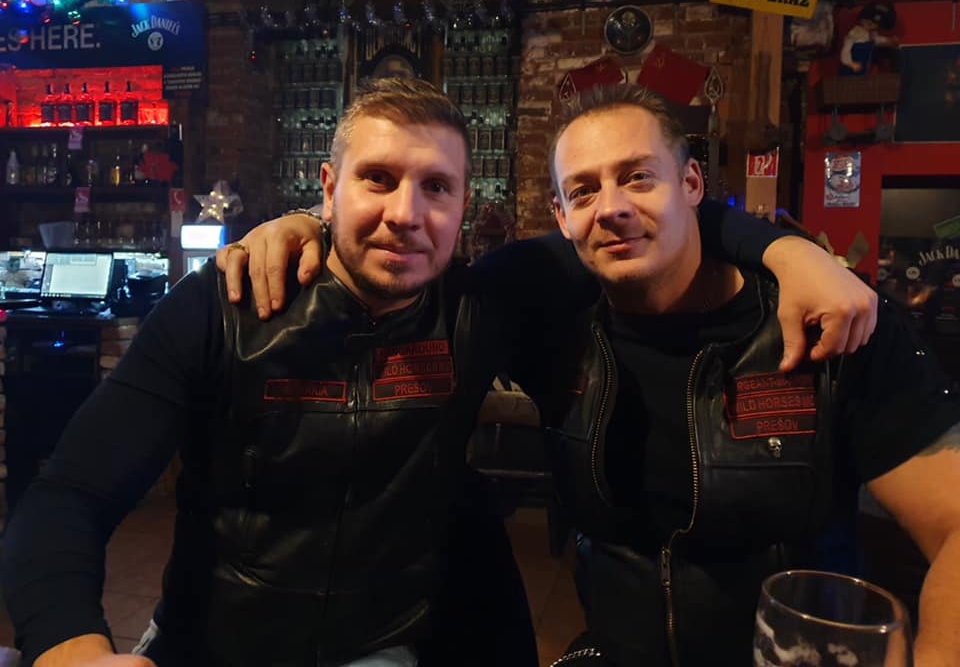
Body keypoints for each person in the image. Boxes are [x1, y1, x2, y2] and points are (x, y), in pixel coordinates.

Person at [2, 78, 875, 667]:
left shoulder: (486, 304)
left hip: (384, 648)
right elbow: (69, 495)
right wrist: (71, 647)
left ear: (465, 207)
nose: (405, 214)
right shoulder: (223, 306)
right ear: (327, 188)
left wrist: (785, 248)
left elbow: (650, 224)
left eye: (436, 188)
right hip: (212, 644)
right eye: (377, 180)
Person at [218, 84, 960, 666]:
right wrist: (308, 222)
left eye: (639, 177)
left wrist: (787, 250)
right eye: (583, 191)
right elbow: (398, 255)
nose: (612, 209)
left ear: (692, 183)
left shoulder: (828, 317)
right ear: (561, 214)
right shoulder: (536, 306)